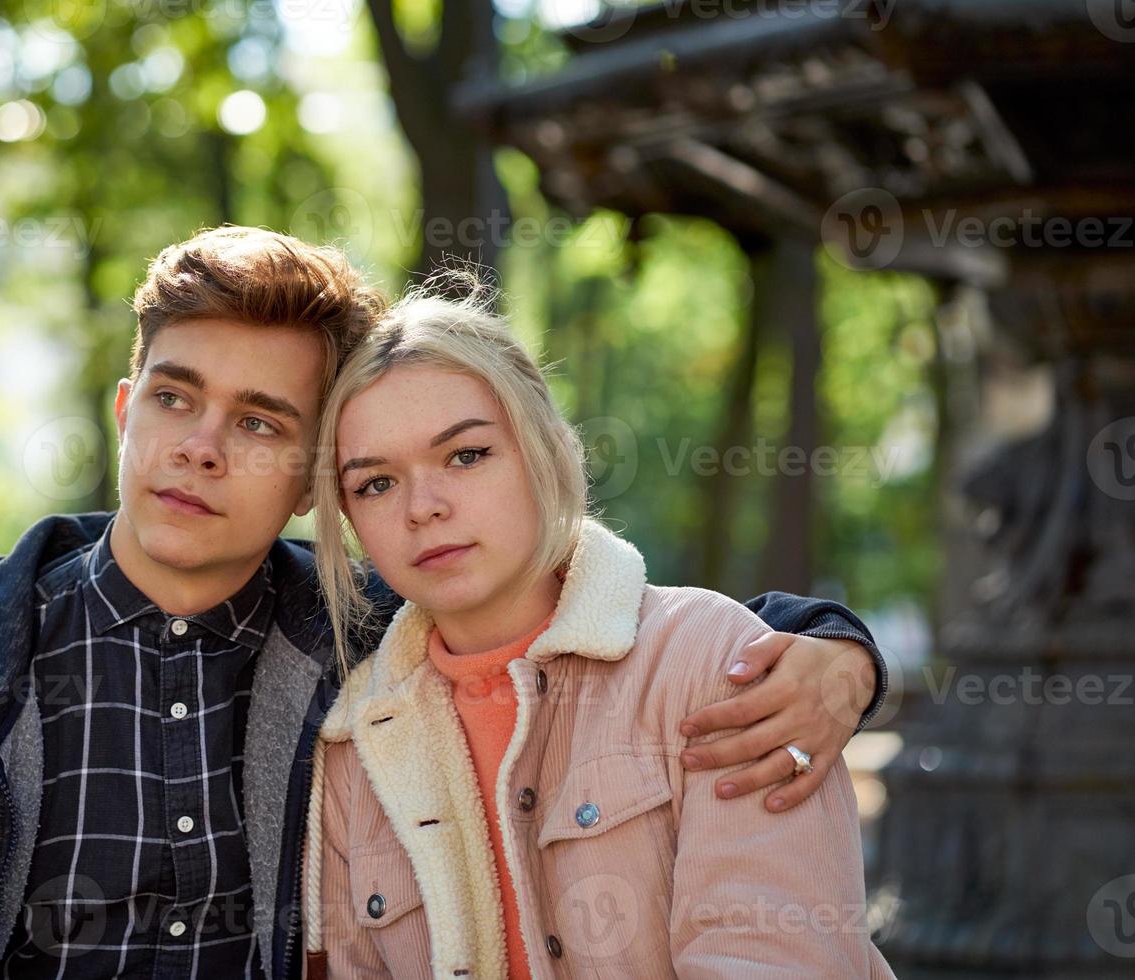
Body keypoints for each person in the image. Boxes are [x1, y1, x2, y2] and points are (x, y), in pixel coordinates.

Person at [0, 228, 889, 979]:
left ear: (313, 474)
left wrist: (835, 649)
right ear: (128, 410)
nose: (201, 447)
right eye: (175, 398)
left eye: (261, 421)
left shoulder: (359, 636)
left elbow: (615, 621)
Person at [303, 276, 896, 978]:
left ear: (545, 449)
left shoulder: (713, 662)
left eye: (466, 455)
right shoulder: (351, 746)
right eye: (376, 483)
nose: (423, 506)